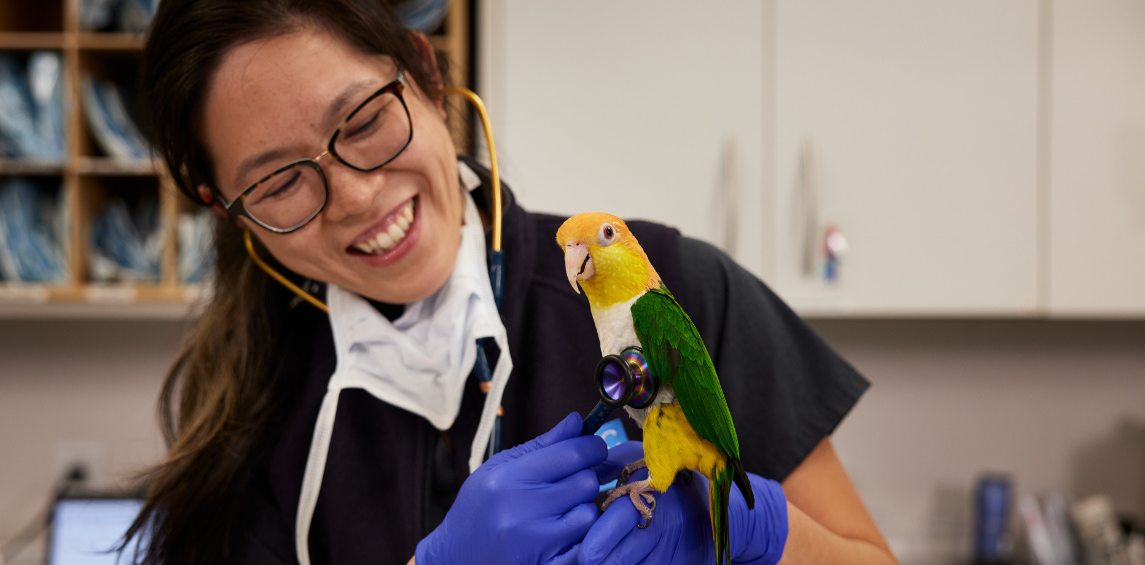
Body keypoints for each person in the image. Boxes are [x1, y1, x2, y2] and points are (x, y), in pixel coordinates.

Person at [126, 1, 900, 564]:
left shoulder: (679, 292)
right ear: (229, 214)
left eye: (362, 120)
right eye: (281, 181)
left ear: (424, 79)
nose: (356, 196)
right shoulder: (241, 409)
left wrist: (759, 536)